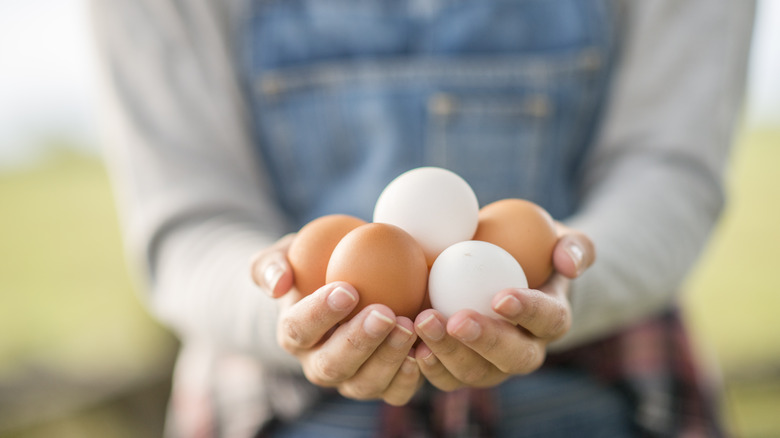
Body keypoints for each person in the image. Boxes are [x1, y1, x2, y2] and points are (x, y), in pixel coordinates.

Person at [91, 0, 755, 436]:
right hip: (282, 410)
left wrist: (563, 278)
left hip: (600, 394)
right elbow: (189, 220)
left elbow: (669, 168)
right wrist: (291, 305)